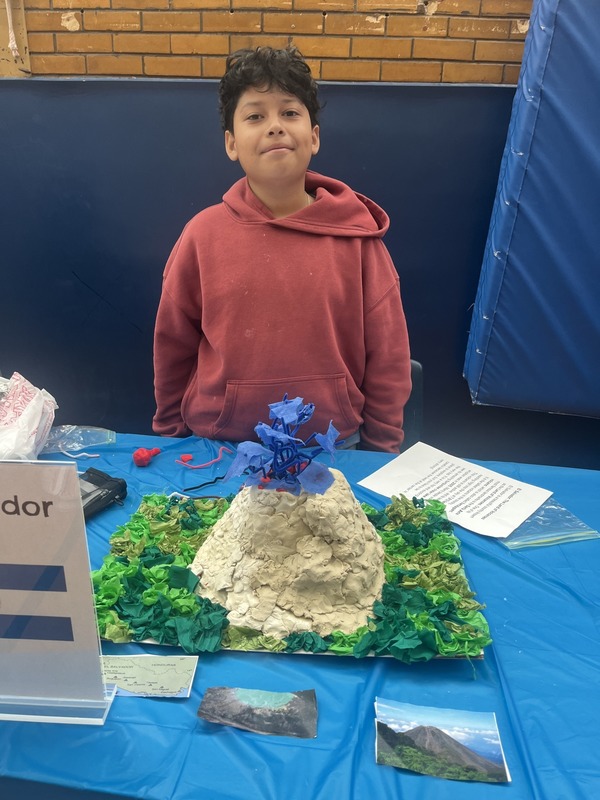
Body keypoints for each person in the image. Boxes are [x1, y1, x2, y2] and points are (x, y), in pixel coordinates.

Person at [153, 46, 411, 452]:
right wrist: (170, 439)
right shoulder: (201, 236)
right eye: (255, 116)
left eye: (289, 113)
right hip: (216, 449)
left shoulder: (358, 239)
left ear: (314, 137)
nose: (274, 126)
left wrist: (381, 451)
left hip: (332, 451)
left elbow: (388, 356)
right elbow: (172, 345)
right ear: (231, 143)